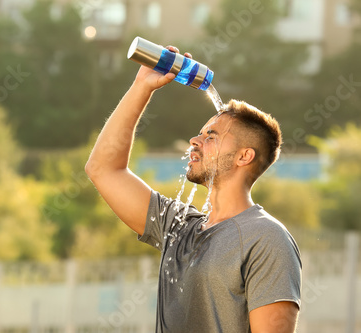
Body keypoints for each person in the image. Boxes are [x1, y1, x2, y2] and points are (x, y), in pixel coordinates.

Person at [85, 45, 302, 332]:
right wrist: (142, 86)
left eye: (211, 136)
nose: (194, 141)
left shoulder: (266, 238)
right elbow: (103, 168)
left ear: (244, 156)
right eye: (200, 134)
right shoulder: (179, 227)